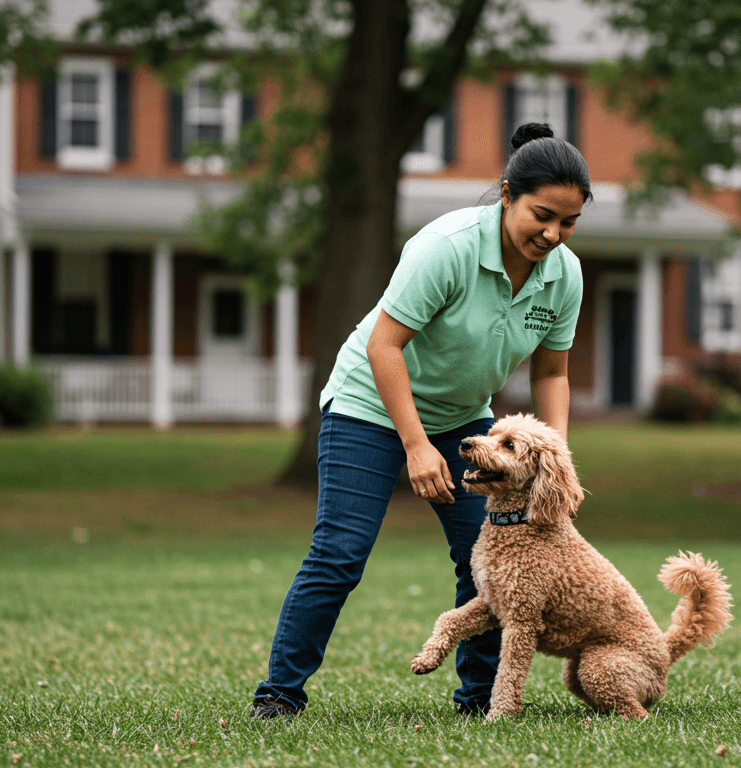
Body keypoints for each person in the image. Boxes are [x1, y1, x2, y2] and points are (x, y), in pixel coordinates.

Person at [251, 122, 591, 718]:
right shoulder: (446, 247)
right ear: (508, 193)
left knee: (489, 559)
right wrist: (415, 444)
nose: (552, 234)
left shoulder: (564, 275)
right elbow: (384, 346)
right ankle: (280, 695)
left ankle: (479, 699)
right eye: (542, 214)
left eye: (568, 223)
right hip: (370, 404)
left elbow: (552, 373)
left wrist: (551, 463)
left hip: (463, 416)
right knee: (340, 552)